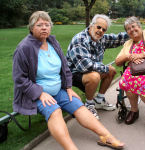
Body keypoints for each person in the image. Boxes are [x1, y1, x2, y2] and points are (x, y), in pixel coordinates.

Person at [12, 11, 124, 150]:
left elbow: (65, 68)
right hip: (38, 93)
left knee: (79, 106)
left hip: (59, 90)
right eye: (39, 25)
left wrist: (68, 88)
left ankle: (107, 137)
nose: (44, 28)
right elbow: (19, 79)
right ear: (31, 27)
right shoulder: (24, 48)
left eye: (47, 24)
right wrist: (40, 93)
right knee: (55, 111)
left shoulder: (53, 42)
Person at [66, 14, 129, 119]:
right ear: (92, 25)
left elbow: (118, 38)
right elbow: (85, 67)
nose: (100, 31)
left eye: (104, 29)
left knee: (111, 71)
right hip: (73, 74)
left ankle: (99, 100)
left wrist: (134, 32)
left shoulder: (101, 38)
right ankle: (89, 105)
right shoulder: (80, 40)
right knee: (95, 76)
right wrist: (104, 68)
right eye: (98, 27)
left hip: (89, 71)